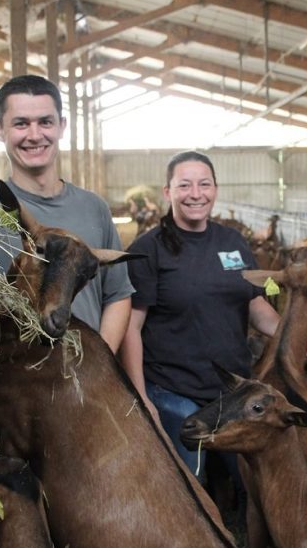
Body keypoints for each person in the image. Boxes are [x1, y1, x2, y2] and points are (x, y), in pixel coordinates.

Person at [120, 150, 280, 481]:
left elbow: (256, 306)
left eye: (204, 184)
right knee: (190, 480)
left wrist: (292, 334)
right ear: (168, 192)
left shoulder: (232, 242)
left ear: (215, 189)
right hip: (174, 390)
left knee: (250, 479)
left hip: (233, 389)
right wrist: (140, 396)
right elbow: (131, 327)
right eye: (185, 185)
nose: (196, 194)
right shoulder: (149, 248)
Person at [0, 75, 133, 353]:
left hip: (84, 370)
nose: (34, 135)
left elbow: (117, 295)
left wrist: (98, 364)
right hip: (11, 373)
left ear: (62, 126)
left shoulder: (94, 208)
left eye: (45, 122)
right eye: (21, 123)